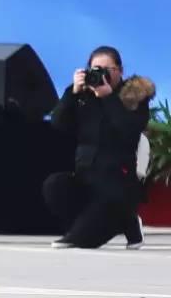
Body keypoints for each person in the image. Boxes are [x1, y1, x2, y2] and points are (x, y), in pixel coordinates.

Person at [45, 46, 154, 249]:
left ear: (120, 71)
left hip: (118, 184)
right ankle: (119, 222)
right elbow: (58, 123)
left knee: (83, 241)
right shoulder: (84, 96)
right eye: (96, 69)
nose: (101, 74)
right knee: (55, 185)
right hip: (86, 176)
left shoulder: (134, 97)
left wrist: (108, 96)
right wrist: (72, 92)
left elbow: (128, 129)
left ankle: (93, 228)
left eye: (108, 69)